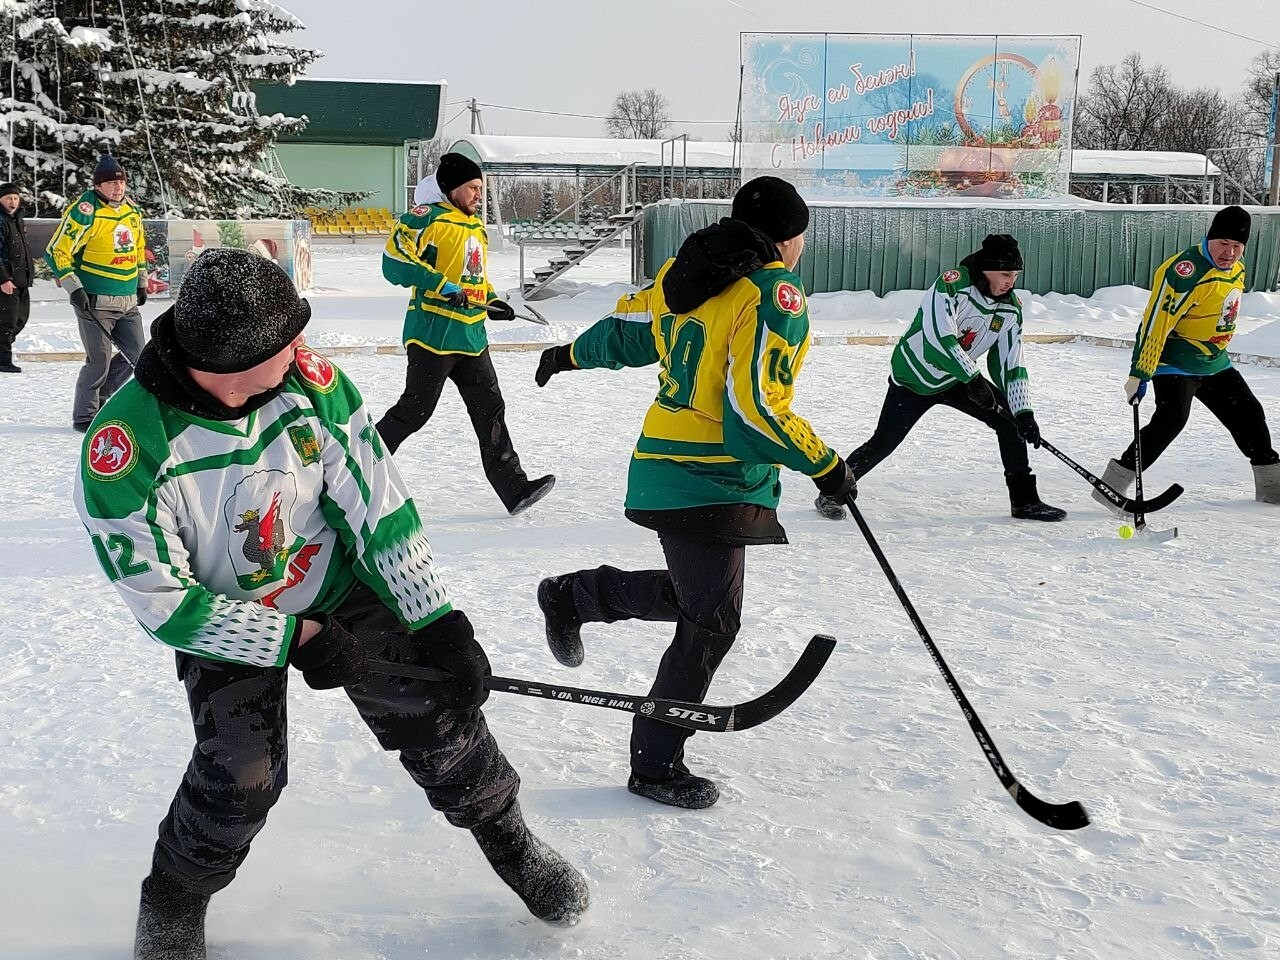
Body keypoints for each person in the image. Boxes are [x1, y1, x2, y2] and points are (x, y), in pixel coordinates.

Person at [74, 250, 588, 960]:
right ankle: (172, 903)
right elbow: (164, 603)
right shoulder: (127, 446)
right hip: (226, 621)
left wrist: (435, 618)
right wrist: (291, 639)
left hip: (340, 587)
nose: (302, 348)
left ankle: (513, 843)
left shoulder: (312, 385)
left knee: (443, 722)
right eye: (285, 341)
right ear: (230, 361)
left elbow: (380, 508)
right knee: (241, 776)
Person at [531, 176, 856, 810]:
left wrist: (569, 353)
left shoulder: (687, 277)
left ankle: (575, 595)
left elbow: (628, 332)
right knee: (712, 618)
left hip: (665, 466)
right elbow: (755, 407)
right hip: (710, 475)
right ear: (790, 238)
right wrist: (825, 465)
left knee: (694, 599)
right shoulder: (772, 295)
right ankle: (656, 760)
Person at [814, 234, 1065, 523]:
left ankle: (1024, 501)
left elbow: (1011, 363)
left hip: (958, 378)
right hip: (915, 377)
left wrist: (1024, 412)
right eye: (1006, 274)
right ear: (987, 269)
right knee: (883, 442)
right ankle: (831, 492)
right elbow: (939, 338)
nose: (1011, 281)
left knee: (1009, 421)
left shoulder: (1011, 309)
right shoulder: (951, 285)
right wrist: (973, 380)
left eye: (1015, 275)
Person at [378, 152, 554, 515]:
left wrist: (493, 301)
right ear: (451, 187)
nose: (478, 195)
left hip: (471, 338)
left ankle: (515, 489)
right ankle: (359, 467)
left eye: (480, 188)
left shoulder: (475, 228)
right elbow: (393, 262)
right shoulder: (425, 219)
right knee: (415, 411)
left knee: (491, 410)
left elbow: (473, 278)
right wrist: (440, 286)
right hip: (433, 336)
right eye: (472, 188)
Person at [1093, 205, 1280, 506]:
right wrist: (1139, 372)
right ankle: (1113, 484)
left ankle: (1273, 489)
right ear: (1210, 239)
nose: (1229, 253)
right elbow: (1156, 323)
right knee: (1171, 420)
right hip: (1174, 360)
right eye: (1223, 244)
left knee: (1250, 414)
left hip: (1214, 361)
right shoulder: (1185, 271)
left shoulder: (1237, 269)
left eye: (1237, 246)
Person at [44, 153, 147, 431]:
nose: (118, 187)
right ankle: (85, 416)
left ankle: (101, 397)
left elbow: (138, 248)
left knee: (137, 355)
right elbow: (56, 251)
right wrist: (73, 287)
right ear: (98, 185)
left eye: (121, 182)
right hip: (94, 300)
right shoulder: (85, 210)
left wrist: (141, 281)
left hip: (126, 300)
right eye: (111, 183)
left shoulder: (131, 211)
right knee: (98, 360)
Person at [0, 181, 33, 374]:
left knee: (20, 319)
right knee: (6, 322)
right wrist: (3, 278)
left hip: (21, 280)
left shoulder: (18, 219)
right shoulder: (1, 220)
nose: (12, 201)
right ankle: (4, 360)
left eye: (15, 197)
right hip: (7, 281)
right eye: (8, 198)